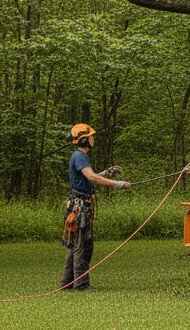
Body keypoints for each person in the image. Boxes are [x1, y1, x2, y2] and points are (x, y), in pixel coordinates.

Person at [60, 123, 131, 291]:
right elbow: (91, 177)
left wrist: (106, 173)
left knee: (75, 245)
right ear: (84, 139)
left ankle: (66, 283)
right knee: (83, 245)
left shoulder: (79, 156)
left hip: (80, 204)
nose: (93, 139)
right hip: (81, 206)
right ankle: (81, 285)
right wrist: (117, 184)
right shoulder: (80, 156)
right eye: (90, 136)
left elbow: (87, 177)